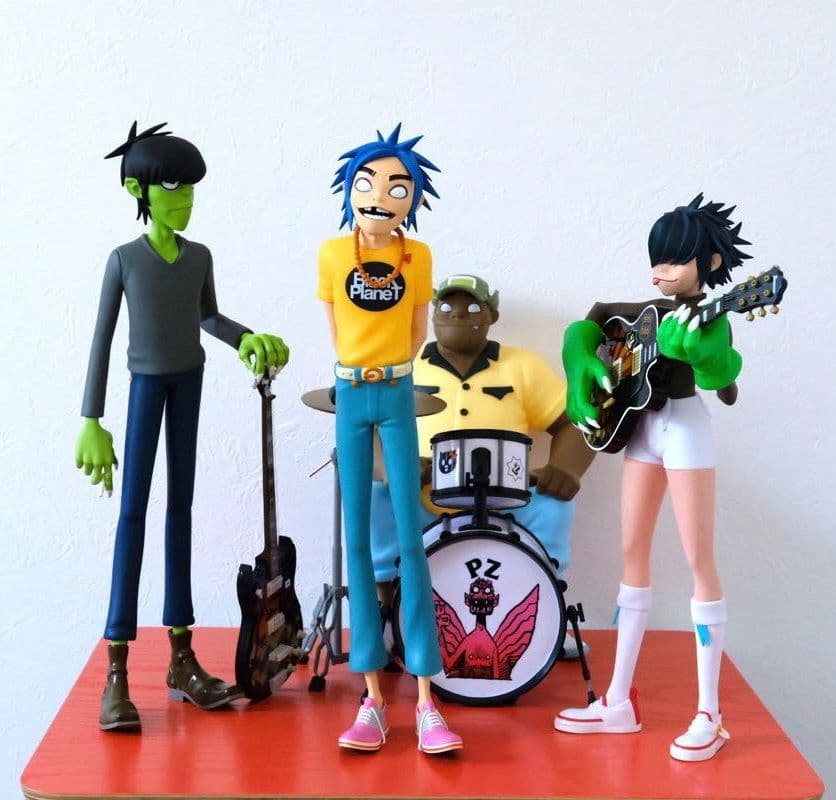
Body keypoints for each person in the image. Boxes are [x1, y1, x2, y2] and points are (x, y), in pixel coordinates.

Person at [76, 121, 289, 732]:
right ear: (139, 191)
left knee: (181, 511)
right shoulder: (124, 260)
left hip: (188, 382)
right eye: (172, 186)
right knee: (133, 514)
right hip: (146, 387)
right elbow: (101, 340)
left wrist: (247, 338)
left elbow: (208, 318)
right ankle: (117, 669)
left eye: (191, 187)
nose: (185, 198)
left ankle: (181, 657)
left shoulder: (199, 257)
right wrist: (92, 420)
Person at [554, 194, 749, 762]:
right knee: (631, 553)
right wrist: (580, 366)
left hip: (686, 431)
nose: (660, 270)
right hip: (642, 431)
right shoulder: (641, 312)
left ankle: (710, 713)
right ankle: (618, 700)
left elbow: (724, 380)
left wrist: (706, 357)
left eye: (674, 259)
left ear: (710, 263)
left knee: (697, 560)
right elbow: (584, 327)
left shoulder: (711, 318)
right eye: (656, 258)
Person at [317, 124, 462, 754]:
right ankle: (373, 697)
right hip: (350, 392)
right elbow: (334, 323)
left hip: (399, 391)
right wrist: (355, 367)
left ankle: (427, 698)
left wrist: (390, 367)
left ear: (414, 199)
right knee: (356, 536)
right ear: (349, 191)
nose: (379, 197)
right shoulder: (332, 254)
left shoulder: (418, 257)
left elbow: (417, 327)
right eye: (368, 185)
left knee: (410, 534)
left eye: (397, 188)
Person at [370, 274, 595, 657]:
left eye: (472, 308)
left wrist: (565, 468)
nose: (458, 316)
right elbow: (370, 425)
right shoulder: (404, 366)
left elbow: (574, 420)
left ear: (492, 314)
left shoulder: (522, 365)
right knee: (376, 496)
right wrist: (395, 468)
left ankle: (549, 617)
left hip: (507, 501)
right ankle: (387, 613)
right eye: (446, 307)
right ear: (431, 314)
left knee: (554, 505)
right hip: (422, 497)